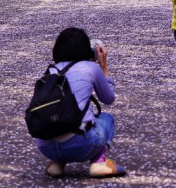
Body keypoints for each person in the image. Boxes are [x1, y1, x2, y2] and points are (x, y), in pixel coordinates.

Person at [36, 27, 126, 179]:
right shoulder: (91, 68)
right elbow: (108, 99)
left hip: (45, 145)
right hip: (80, 144)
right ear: (87, 50)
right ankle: (99, 163)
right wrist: (103, 66)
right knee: (106, 119)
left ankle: (57, 164)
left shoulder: (50, 71)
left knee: (58, 119)